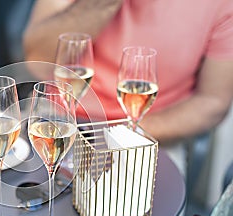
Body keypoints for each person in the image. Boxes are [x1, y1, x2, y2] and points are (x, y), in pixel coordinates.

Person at [23, 0, 233, 175]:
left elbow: (213, 102)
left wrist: (118, 136)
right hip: (58, 121)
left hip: (150, 134)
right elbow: (37, 61)